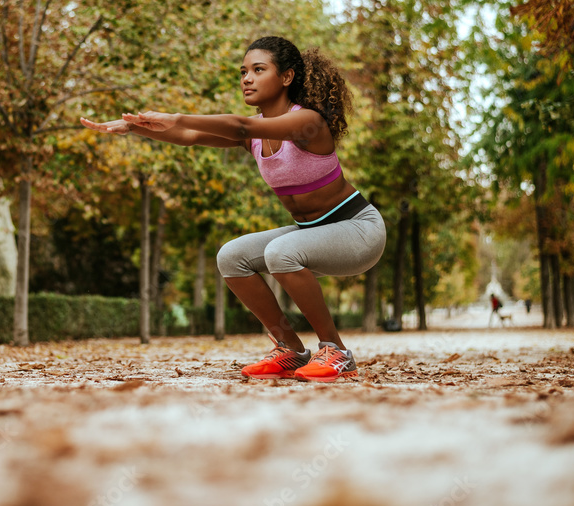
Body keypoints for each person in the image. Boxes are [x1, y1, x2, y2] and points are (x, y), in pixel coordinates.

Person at [81, 36, 386, 382]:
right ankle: (289, 349)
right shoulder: (253, 135)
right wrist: (135, 128)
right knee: (231, 256)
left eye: (258, 70)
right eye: (243, 71)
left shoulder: (308, 123)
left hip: (359, 230)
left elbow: (239, 124)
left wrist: (177, 115)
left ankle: (337, 351)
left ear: (286, 77)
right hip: (314, 232)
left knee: (280, 252)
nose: (246, 78)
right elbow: (190, 136)